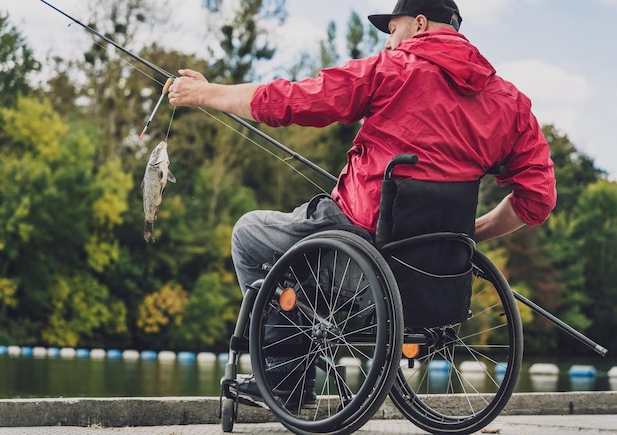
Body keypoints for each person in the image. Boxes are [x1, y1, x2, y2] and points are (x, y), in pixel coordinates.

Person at [168, 0, 556, 399]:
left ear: (419, 24)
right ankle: (295, 356)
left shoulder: (392, 70)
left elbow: (291, 100)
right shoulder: (511, 104)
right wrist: (465, 235)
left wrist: (206, 93)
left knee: (249, 235)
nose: (389, 42)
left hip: (357, 252)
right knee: (297, 251)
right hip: (436, 283)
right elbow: (538, 198)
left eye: (393, 30)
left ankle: (285, 378)